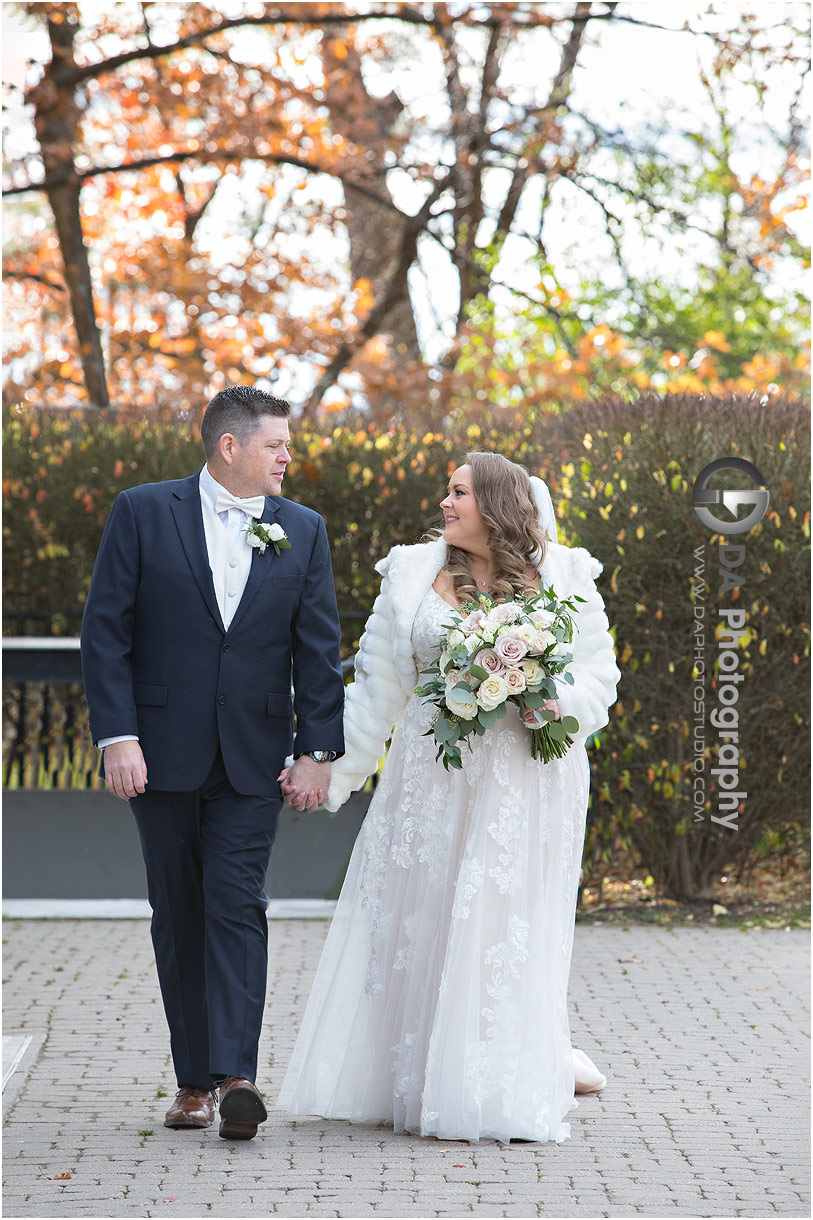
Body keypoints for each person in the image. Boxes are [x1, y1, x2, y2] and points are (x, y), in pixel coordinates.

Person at [278, 451, 621, 1144]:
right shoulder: (410, 573)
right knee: (423, 919)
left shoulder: (564, 573)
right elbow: (377, 690)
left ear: (494, 503)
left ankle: (494, 1080)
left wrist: (544, 697)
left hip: (525, 781)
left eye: (458, 492)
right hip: (431, 778)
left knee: (498, 925)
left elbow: (599, 677)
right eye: (446, 490)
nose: (445, 502)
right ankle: (415, 1076)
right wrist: (330, 771)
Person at [80, 386, 345, 1141]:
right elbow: (106, 632)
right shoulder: (142, 511)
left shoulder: (303, 528)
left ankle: (235, 1078)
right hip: (159, 755)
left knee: (236, 904)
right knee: (178, 914)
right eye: (275, 446)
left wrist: (317, 749)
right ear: (229, 447)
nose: (288, 457)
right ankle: (190, 1082)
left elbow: (316, 650)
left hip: (254, 760)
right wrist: (117, 736)